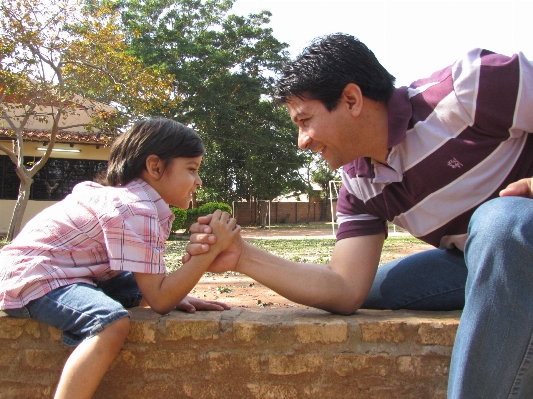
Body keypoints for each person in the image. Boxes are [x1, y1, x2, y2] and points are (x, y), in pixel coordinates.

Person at [185, 34, 533, 398]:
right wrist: (243, 255)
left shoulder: (468, 89)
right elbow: (345, 288)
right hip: (478, 258)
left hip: (515, 234)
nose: (301, 141)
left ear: (351, 100)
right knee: (375, 287)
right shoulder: (359, 184)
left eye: (305, 121)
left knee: (501, 220)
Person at [0, 118, 240, 399]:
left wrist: (172, 293)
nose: (198, 181)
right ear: (155, 166)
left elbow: (154, 288)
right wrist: (211, 249)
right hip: (35, 277)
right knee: (111, 323)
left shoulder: (132, 201)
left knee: (132, 285)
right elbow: (161, 300)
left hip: (65, 273)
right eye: (192, 169)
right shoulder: (139, 208)